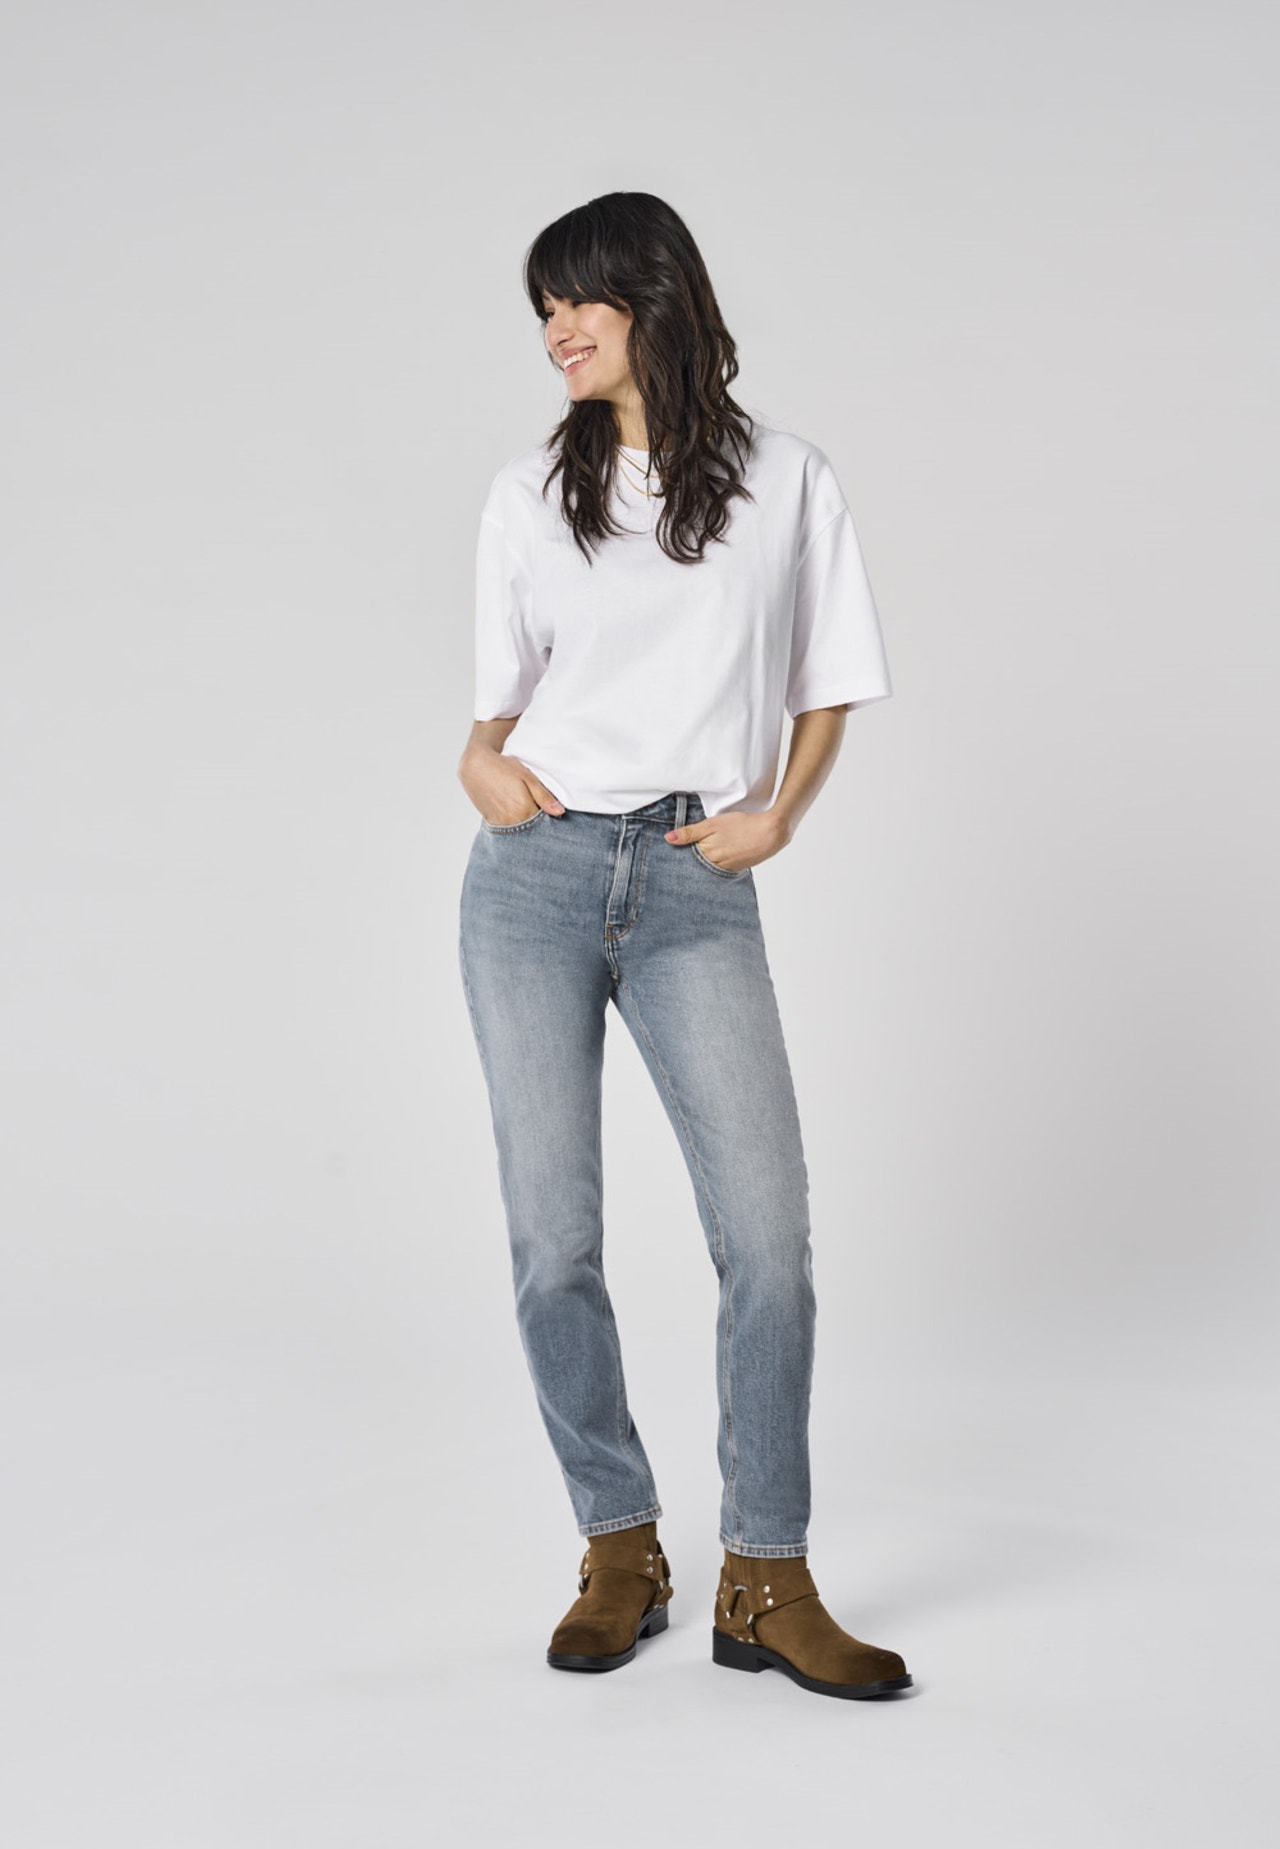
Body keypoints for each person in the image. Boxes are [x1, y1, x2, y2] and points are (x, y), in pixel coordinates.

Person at [456, 192, 913, 1702]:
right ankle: (620, 1545)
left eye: (577, 300)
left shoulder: (787, 481)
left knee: (767, 1242)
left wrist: (779, 813)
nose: (556, 331)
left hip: (692, 878)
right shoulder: (530, 491)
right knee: (554, 1244)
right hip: (531, 877)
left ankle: (765, 1577)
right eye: (543, 310)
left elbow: (828, 676)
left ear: (652, 296)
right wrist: (478, 764)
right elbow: (496, 713)